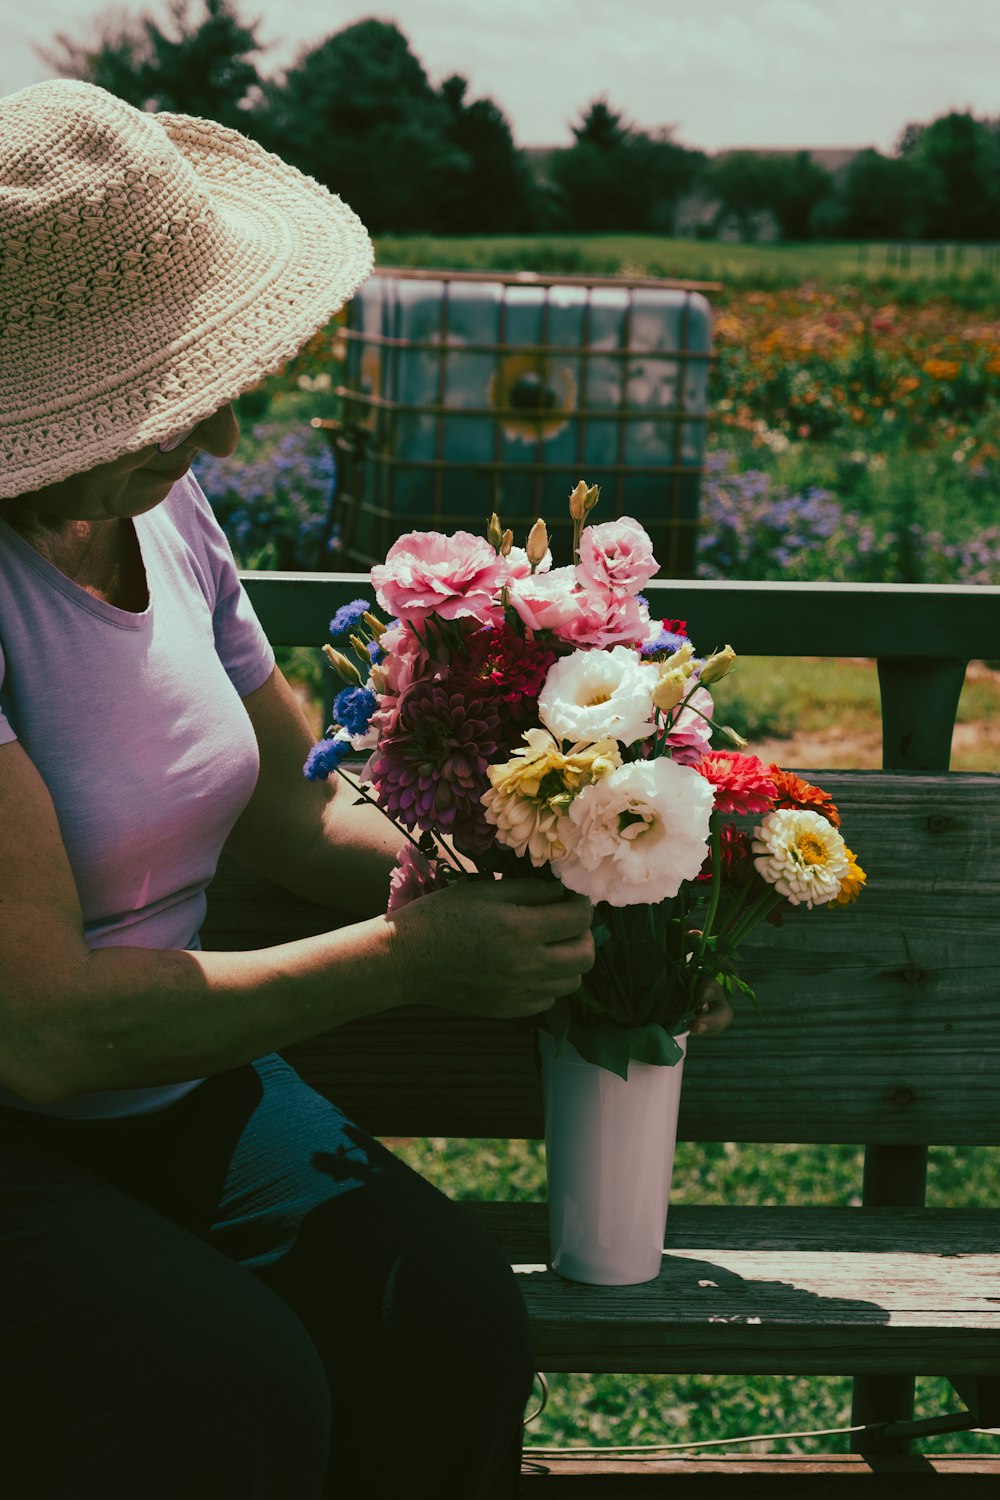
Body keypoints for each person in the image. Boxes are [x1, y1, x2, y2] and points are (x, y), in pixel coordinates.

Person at [0, 80, 731, 1498]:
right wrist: (411, 957)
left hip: (159, 1085)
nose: (213, 432)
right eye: (151, 393)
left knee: (443, 1321)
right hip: (31, 1107)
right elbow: (39, 1034)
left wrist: (555, 865)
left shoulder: (169, 515)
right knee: (221, 1395)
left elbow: (294, 807)